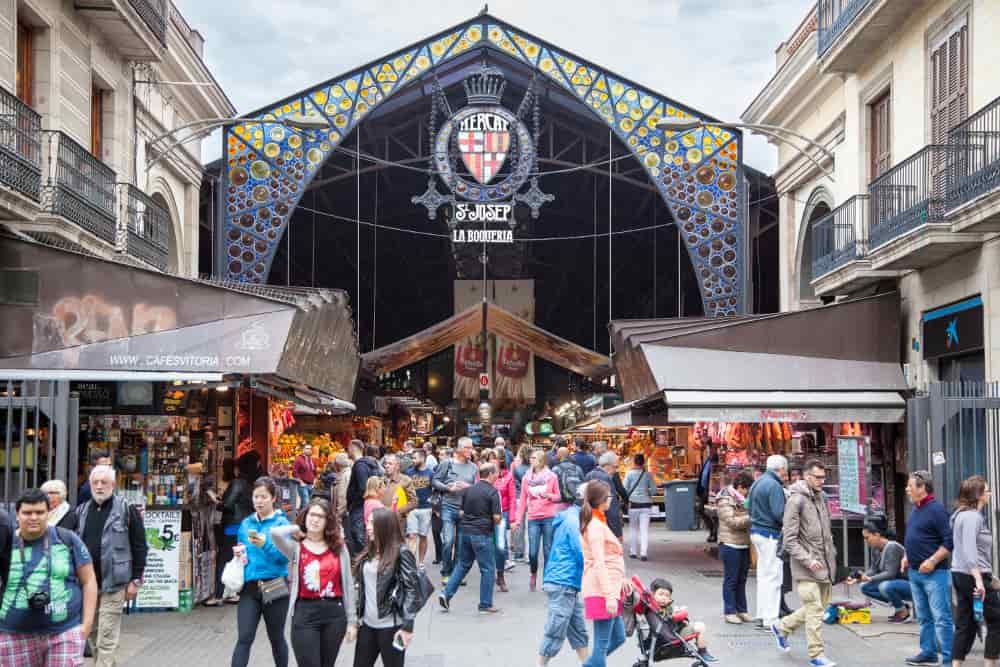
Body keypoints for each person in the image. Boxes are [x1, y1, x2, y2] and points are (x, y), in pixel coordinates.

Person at [0, 488, 98, 666]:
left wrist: (86, 626)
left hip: (64, 632)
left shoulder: (67, 539)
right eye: (27, 513)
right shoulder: (5, 543)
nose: (34, 517)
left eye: (40, 512)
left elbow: (89, 580)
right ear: (17, 515)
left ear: (49, 513)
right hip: (13, 634)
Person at [75, 464, 147, 667]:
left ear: (113, 485)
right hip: (88, 585)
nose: (99, 486)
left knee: (106, 639)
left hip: (115, 584)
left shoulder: (126, 509)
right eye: (95, 482)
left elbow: (140, 546)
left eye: (103, 482)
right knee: (93, 636)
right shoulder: (81, 511)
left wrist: (136, 580)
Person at [271, 497, 356, 667]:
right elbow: (275, 533)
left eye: (321, 516)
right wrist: (297, 528)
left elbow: (348, 584)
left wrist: (352, 621)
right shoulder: (296, 547)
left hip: (334, 614)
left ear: (328, 522)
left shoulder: (338, 548)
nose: (315, 519)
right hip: (305, 613)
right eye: (311, 514)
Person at [771, 460, 837, 667]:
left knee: (819, 606)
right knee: (815, 609)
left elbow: (827, 534)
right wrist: (808, 560)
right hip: (805, 566)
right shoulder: (796, 500)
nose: (822, 481)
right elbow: (790, 540)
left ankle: (782, 627)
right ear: (807, 476)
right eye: (818, 477)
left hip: (825, 563)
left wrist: (832, 557)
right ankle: (816, 655)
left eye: (823, 477)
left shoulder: (821, 497)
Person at [231, 477, 292, 667]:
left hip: (274, 586)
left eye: (263, 497)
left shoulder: (282, 524)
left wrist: (266, 544)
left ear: (273, 498)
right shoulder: (246, 524)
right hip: (250, 588)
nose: (259, 501)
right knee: (244, 637)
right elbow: (242, 548)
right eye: (256, 496)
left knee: (276, 638)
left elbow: (285, 557)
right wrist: (239, 553)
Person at [352, 508, 423, 667]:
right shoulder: (369, 551)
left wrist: (407, 627)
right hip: (367, 626)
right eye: (368, 522)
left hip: (391, 628)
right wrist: (355, 618)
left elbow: (412, 590)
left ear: (384, 527)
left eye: (372, 523)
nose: (368, 527)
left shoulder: (401, 552)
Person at [904, 470, 954, 667]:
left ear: (922, 487)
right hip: (915, 572)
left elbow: (949, 542)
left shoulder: (937, 510)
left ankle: (949, 659)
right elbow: (915, 536)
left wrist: (932, 561)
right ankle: (928, 651)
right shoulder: (916, 509)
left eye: (910, 486)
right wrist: (907, 555)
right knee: (924, 617)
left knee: (941, 618)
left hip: (935, 574)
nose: (907, 489)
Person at [439, 462, 503, 614]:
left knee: (462, 565)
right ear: (491, 474)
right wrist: (495, 520)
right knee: (487, 569)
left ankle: (446, 593)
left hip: (465, 532)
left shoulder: (468, 490)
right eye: (496, 473)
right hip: (482, 533)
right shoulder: (493, 492)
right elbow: (496, 517)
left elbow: (461, 513)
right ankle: (485, 604)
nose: (498, 475)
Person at [537, 485, 589, 666]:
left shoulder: (571, 516)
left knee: (577, 629)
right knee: (556, 628)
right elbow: (580, 552)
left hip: (565, 580)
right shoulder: (574, 521)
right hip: (563, 581)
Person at [951, 475, 998, 667]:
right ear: (978, 494)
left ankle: (956, 664)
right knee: (996, 621)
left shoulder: (960, 515)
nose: (989, 494)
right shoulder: (972, 517)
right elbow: (970, 550)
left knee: (966, 622)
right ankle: (989, 663)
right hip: (972, 575)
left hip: (961, 574)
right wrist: (979, 580)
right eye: (986, 490)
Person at [580, 480, 628, 667]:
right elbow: (599, 563)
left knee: (619, 637)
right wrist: (609, 596)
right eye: (609, 496)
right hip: (602, 590)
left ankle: (590, 664)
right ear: (600, 500)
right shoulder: (595, 526)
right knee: (601, 646)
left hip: (610, 588)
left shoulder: (599, 521)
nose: (612, 499)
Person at [513, 447, 562, 592]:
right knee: (532, 552)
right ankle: (533, 573)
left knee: (548, 550)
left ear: (541, 461)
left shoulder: (552, 477)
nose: (531, 460)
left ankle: (547, 578)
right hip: (533, 516)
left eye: (534, 458)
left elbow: (558, 496)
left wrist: (550, 496)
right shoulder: (526, 478)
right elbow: (522, 499)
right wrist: (518, 519)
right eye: (531, 458)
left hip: (549, 516)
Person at [748, 454, 787, 630]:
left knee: (763, 575)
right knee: (773, 576)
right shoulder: (774, 485)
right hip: (771, 534)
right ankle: (770, 618)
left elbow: (748, 506)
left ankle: (761, 614)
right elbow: (779, 513)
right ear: (782, 469)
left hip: (757, 532)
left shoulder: (758, 482)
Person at [432, 436, 478, 584]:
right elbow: (434, 480)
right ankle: (446, 571)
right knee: (448, 541)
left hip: (465, 509)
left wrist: (468, 487)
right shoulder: (447, 463)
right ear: (458, 449)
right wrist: (448, 487)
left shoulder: (474, 467)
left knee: (460, 544)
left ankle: (456, 575)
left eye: (471, 447)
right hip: (448, 506)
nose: (471, 450)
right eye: (468, 448)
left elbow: (477, 487)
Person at [846, 523, 911, 622]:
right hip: (894, 583)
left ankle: (903, 612)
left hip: (910, 584)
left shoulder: (892, 547)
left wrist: (870, 578)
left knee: (884, 586)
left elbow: (890, 573)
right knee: (865, 587)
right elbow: (873, 569)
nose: (865, 541)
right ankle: (901, 606)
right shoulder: (875, 549)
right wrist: (859, 577)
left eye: (867, 537)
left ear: (877, 535)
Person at [215, 455, 255, 605]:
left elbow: (227, 504)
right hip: (241, 526)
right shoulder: (248, 483)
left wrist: (217, 502)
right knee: (238, 558)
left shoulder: (237, 483)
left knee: (224, 558)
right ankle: (235, 592)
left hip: (233, 526)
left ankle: (219, 595)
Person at [650, 579, 718, 663]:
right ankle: (702, 651)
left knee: (700, 626)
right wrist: (679, 616)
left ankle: (703, 650)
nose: (664, 598)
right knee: (700, 627)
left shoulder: (666, 607)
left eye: (667, 596)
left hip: (674, 631)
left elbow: (671, 617)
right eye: (661, 594)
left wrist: (682, 619)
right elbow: (668, 620)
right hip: (671, 636)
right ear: (653, 594)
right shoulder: (653, 610)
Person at [716, 471, 753, 624]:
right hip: (730, 544)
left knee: (742, 579)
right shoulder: (725, 499)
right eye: (747, 489)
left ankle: (742, 610)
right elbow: (731, 521)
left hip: (743, 543)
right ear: (739, 487)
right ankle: (730, 611)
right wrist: (752, 517)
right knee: (731, 579)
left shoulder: (742, 499)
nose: (748, 493)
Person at [346, 444, 383, 555]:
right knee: (367, 533)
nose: (348, 451)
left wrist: (353, 500)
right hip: (368, 503)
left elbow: (363, 487)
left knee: (359, 534)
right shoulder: (373, 464)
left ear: (352, 448)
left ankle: (364, 560)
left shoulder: (360, 466)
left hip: (359, 505)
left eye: (348, 448)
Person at [622, 454, 658, 561]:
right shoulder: (648, 475)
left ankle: (633, 552)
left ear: (634, 462)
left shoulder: (629, 474)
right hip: (646, 505)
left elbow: (624, 489)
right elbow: (654, 490)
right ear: (643, 462)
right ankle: (643, 553)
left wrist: (629, 496)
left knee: (633, 528)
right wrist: (648, 493)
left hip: (633, 504)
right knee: (644, 529)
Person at [585, 452, 627, 540]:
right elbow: (612, 507)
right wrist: (618, 532)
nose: (616, 470)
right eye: (615, 467)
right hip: (604, 524)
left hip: (590, 522)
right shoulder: (605, 478)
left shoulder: (589, 475)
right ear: (607, 465)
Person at [406, 449, 435, 566]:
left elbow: (436, 489)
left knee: (423, 536)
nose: (413, 460)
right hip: (412, 508)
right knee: (412, 535)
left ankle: (421, 562)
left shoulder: (431, 473)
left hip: (426, 508)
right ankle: (411, 562)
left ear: (423, 458)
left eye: (415, 458)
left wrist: (433, 503)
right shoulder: (408, 472)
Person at [493, 451, 517, 589]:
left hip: (501, 513)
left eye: (496, 458)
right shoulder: (483, 474)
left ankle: (500, 575)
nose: (494, 461)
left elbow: (513, 498)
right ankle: (491, 575)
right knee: (489, 546)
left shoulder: (508, 476)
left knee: (500, 545)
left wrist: (513, 518)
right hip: (486, 513)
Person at [512, 444, 533, 562]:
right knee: (529, 527)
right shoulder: (534, 469)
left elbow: (515, 485)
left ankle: (518, 552)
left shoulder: (517, 468)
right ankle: (529, 554)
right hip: (531, 499)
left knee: (519, 526)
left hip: (519, 498)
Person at [380, 454, 417, 520]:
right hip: (381, 519)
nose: (386, 466)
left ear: (397, 466)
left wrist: (398, 512)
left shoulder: (406, 480)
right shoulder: (381, 480)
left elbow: (413, 502)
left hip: (397, 521)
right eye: (386, 464)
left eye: (390, 464)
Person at [696, 441, 718, 543]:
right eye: (709, 448)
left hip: (712, 489)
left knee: (711, 511)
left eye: (711, 448)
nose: (709, 450)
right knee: (701, 510)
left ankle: (714, 532)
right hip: (705, 489)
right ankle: (712, 530)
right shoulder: (708, 459)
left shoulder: (715, 459)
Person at [553, 446, 585, 510]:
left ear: (559, 455)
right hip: (575, 502)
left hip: (561, 502)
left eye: (557, 453)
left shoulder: (556, 469)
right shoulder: (577, 468)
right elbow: (583, 483)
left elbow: (552, 487)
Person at [293, 443, 318, 509]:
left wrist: (315, 480)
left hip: (311, 485)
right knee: (306, 502)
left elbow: (315, 471)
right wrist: (300, 482)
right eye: (307, 448)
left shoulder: (312, 460)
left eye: (310, 449)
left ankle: (299, 516)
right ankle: (304, 518)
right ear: (303, 450)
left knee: (307, 503)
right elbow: (295, 472)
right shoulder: (298, 459)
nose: (309, 450)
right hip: (303, 485)